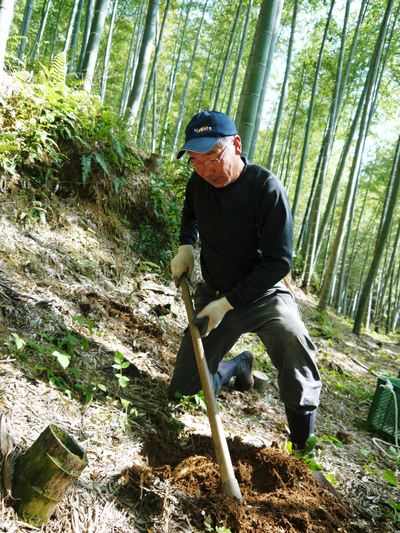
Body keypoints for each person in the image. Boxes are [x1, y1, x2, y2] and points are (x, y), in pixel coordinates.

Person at [168, 110, 322, 452]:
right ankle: (238, 365)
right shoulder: (199, 184)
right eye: (196, 161)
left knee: (293, 336)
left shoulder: (265, 188)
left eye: (213, 157)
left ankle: (302, 444)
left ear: (236, 145)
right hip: (216, 290)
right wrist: (185, 245)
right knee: (183, 389)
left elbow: (279, 262)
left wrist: (227, 305)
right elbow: (190, 214)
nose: (207, 169)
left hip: (263, 295)